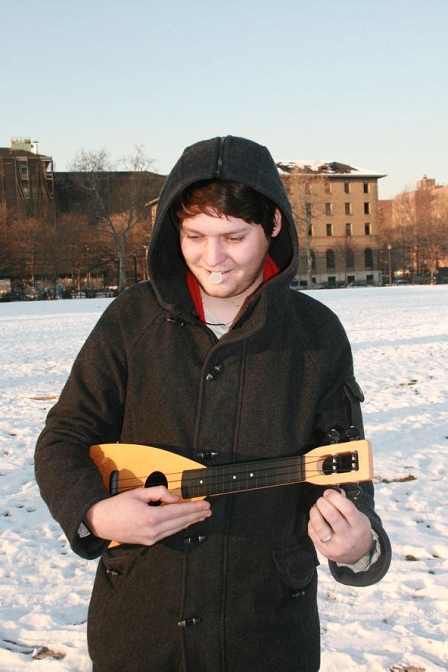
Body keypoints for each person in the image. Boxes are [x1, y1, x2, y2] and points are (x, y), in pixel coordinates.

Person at [35, 135, 391, 672]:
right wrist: (94, 511)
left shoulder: (317, 334)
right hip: (140, 630)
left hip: (267, 633)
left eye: (233, 236)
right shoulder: (131, 321)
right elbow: (64, 438)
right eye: (194, 235)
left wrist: (360, 545)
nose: (212, 258)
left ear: (272, 226)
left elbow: (341, 466)